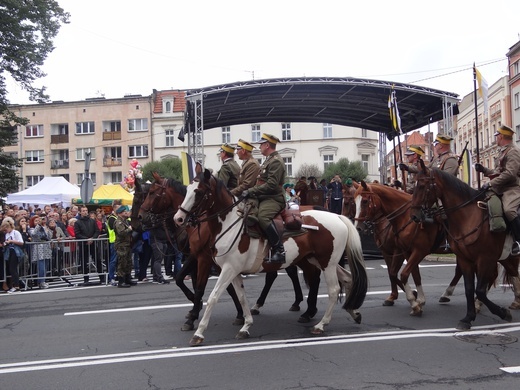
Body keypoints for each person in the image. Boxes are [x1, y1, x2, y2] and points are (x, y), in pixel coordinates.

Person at [475, 125, 520, 255]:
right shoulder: (503, 151)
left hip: (512, 188)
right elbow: (497, 172)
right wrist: (484, 170)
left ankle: (518, 240)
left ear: (501, 136)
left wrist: (490, 184)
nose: (495, 138)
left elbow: (510, 174)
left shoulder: (513, 152)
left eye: (496, 136)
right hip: (500, 188)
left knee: (509, 210)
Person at [242, 133, 286, 263]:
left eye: (261, 144)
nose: (259, 147)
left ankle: (279, 250)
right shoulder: (269, 160)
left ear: (267, 145)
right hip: (264, 196)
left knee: (263, 217)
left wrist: (251, 191)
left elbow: (272, 185)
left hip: (274, 198)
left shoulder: (276, 161)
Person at [74, 205, 102, 285]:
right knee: (84, 262)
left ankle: (101, 277)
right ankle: (86, 279)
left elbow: (97, 231)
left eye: (86, 210)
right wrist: (87, 239)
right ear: (80, 212)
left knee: (97, 260)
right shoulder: (77, 222)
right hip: (83, 244)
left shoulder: (92, 221)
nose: (85, 212)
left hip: (93, 243)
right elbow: (77, 234)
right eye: (83, 211)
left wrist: (93, 238)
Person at [1, 218, 24, 293]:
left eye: (6, 229)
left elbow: (21, 242)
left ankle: (17, 286)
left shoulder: (16, 232)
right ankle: (14, 285)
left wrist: (11, 241)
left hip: (15, 251)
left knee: (13, 269)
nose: (5, 231)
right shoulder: (7, 234)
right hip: (9, 252)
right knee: (11, 269)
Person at [113, 205, 135, 288]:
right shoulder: (118, 222)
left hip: (127, 244)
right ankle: (121, 281)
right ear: (119, 213)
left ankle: (127, 279)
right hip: (122, 245)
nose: (126, 213)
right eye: (124, 212)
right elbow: (121, 232)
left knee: (128, 262)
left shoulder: (125, 221)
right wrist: (129, 229)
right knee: (122, 263)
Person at [105, 200, 121, 286]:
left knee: (119, 260)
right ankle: (111, 277)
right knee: (113, 260)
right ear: (114, 208)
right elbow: (115, 228)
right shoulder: (111, 218)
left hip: (120, 241)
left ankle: (119, 275)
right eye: (118, 208)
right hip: (114, 241)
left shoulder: (118, 217)